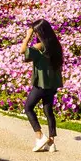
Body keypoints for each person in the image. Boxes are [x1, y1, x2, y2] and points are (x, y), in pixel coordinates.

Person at [24, 19, 61, 152]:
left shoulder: (39, 47)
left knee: (28, 108)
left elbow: (23, 52)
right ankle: (51, 142)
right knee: (48, 110)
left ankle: (39, 136)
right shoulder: (56, 46)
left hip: (41, 84)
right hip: (52, 84)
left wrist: (27, 37)